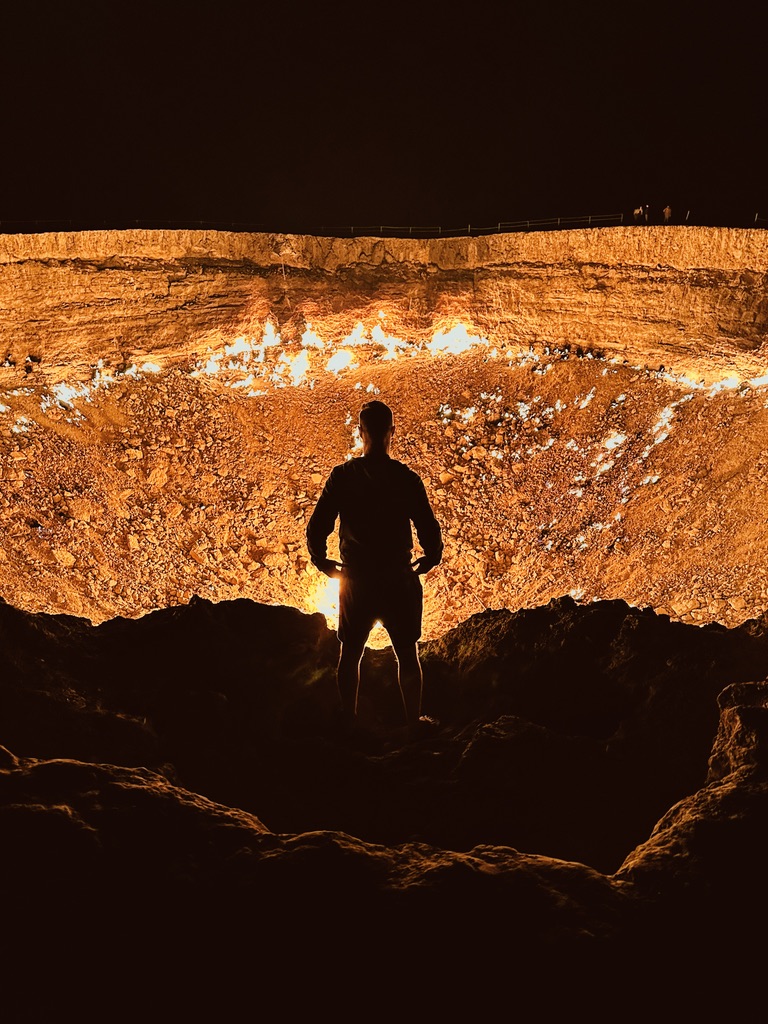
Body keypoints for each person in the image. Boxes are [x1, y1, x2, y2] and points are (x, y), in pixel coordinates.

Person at [306, 400, 443, 739]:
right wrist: (430, 557)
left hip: (357, 579)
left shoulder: (343, 476)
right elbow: (428, 527)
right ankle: (413, 723)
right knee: (407, 655)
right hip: (398, 576)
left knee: (349, 653)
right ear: (392, 433)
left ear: (360, 432)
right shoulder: (406, 478)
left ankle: (348, 719)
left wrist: (322, 560)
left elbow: (317, 526)